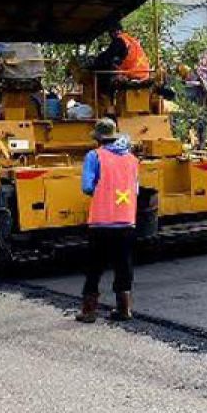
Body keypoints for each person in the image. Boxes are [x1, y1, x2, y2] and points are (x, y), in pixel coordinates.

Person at [76, 119, 139, 323]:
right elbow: (136, 189)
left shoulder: (94, 156)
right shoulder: (132, 159)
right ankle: (124, 309)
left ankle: (89, 311)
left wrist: (103, 191)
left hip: (101, 222)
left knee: (94, 267)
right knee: (124, 265)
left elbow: (87, 186)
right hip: (127, 221)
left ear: (99, 139)